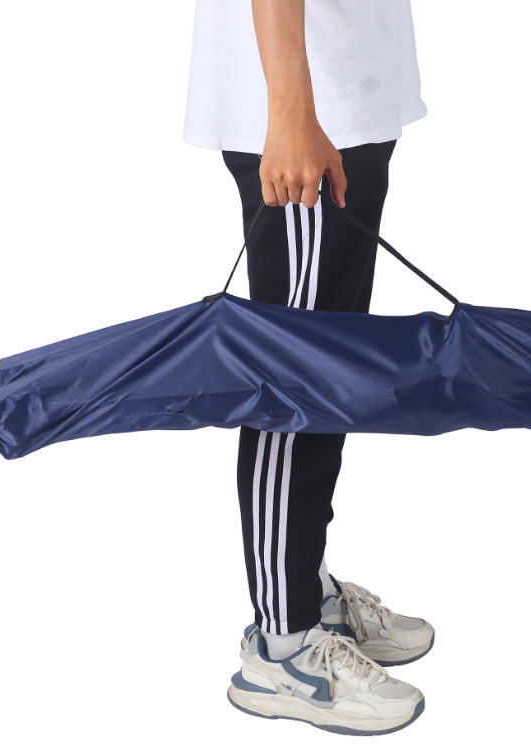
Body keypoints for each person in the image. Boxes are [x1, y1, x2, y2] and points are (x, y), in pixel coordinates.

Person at [184, 0, 431, 735]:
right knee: (293, 387)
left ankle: (310, 593)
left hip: (343, 101)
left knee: (326, 385)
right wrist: (291, 112)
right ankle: (283, 646)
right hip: (304, 112)